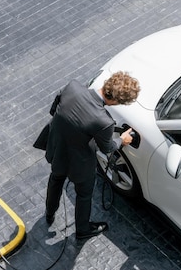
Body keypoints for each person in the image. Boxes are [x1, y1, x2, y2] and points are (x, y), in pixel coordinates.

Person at [44, 71, 140, 239]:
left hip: (57, 148)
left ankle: (49, 213)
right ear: (116, 101)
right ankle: (82, 229)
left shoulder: (72, 86)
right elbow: (107, 148)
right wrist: (122, 140)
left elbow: (55, 109)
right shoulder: (104, 121)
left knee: (55, 180)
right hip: (80, 164)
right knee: (84, 195)